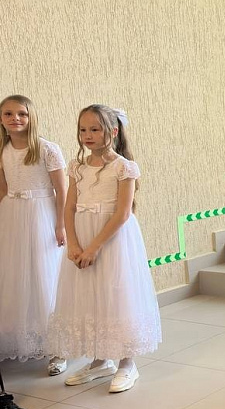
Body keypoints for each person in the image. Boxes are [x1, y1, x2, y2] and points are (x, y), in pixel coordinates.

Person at [46, 105, 161, 394]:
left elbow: (123, 213)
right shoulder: (77, 166)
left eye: (95, 129)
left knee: (116, 294)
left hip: (113, 240)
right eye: (83, 130)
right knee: (90, 296)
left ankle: (127, 363)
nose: (87, 135)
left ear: (113, 131)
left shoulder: (124, 167)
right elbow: (69, 207)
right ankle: (100, 360)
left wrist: (95, 247)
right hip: (82, 236)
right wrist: (73, 243)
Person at [0, 95, 69, 376]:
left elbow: (62, 190)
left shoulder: (46, 149)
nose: (15, 119)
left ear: (31, 117)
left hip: (41, 213)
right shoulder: (3, 149)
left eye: (22, 113)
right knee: (15, 275)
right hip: (12, 214)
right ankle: (18, 339)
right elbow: (3, 188)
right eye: (8, 114)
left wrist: (61, 224)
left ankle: (58, 348)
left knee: (44, 275)